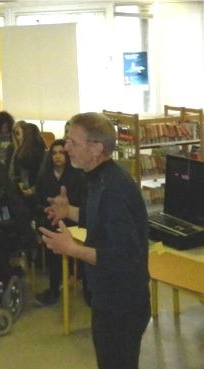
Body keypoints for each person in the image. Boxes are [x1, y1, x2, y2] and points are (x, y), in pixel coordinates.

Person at [40, 112, 150, 369]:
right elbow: (100, 218)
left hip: (122, 304)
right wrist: (71, 212)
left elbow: (124, 255)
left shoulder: (114, 188)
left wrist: (73, 249)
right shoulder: (100, 178)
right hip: (108, 299)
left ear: (97, 149)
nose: (66, 148)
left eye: (73, 143)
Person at [34, 139, 85, 305]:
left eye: (61, 153)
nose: (57, 157)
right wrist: (48, 210)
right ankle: (54, 287)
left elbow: (80, 202)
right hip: (50, 219)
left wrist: (66, 209)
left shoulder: (77, 175)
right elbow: (38, 201)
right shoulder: (43, 176)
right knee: (49, 232)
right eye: (54, 153)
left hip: (72, 220)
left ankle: (75, 279)